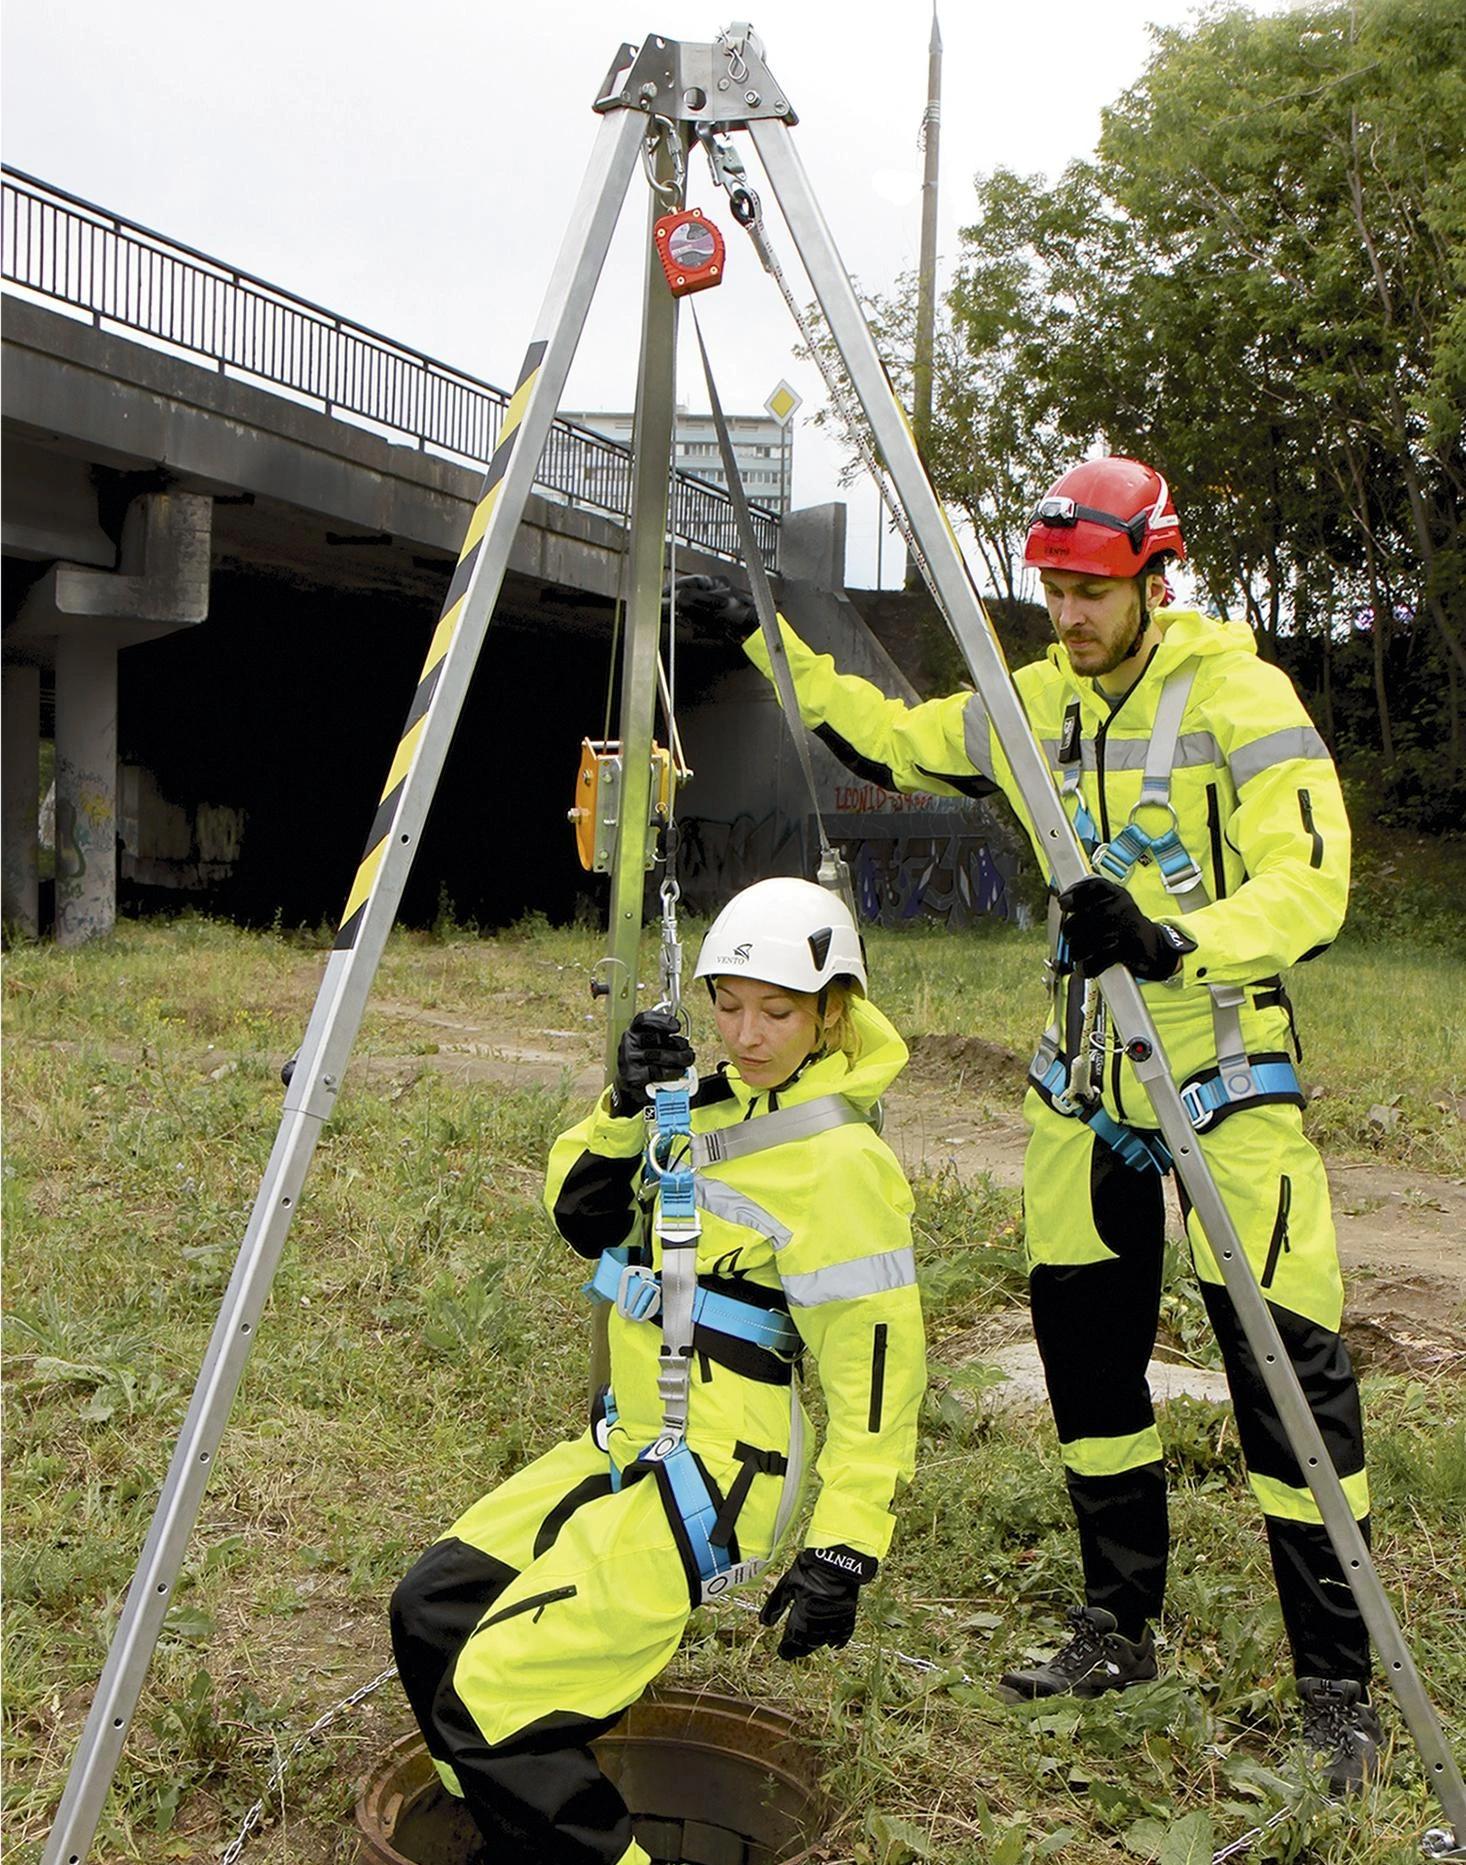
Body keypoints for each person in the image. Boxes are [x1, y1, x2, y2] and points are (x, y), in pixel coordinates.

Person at [678, 456, 1379, 1793]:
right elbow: (887, 735)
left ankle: (1333, 1688)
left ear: (1152, 579)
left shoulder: (1239, 696)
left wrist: (1179, 937)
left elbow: (1314, 880)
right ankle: (1117, 1626)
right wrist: (763, 634)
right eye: (1051, 588)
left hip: (1227, 1086)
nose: (1065, 614)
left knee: (1286, 1386)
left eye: (1090, 591)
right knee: (1089, 1371)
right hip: (1081, 1090)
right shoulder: (1030, 703)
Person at [390, 877, 927, 1865]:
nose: (747, 1031)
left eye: (777, 1010)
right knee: (431, 1613)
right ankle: (512, 1828)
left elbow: (877, 1369)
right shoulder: (700, 1104)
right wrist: (624, 1108)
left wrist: (847, 1543)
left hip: (715, 1471)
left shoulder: (840, 1161)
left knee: (498, 1701)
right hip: (628, 1435)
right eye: (728, 1003)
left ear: (830, 1010)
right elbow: (580, 1216)